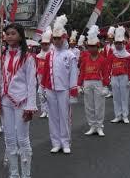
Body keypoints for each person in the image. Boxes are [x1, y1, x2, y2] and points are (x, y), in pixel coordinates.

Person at [0, 23, 37, 178]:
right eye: (7, 34)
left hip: (22, 101)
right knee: (9, 139)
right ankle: (14, 175)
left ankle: (26, 177)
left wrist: (30, 106)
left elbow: (32, 83)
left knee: (23, 139)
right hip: (5, 102)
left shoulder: (28, 57)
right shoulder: (1, 56)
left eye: (13, 33)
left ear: (20, 36)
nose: (9, 37)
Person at [41, 15, 78, 154]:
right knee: (53, 117)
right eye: (54, 39)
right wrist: (43, 88)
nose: (56, 41)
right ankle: (56, 142)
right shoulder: (49, 55)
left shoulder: (70, 55)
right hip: (51, 89)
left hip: (64, 90)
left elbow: (73, 74)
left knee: (64, 116)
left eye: (58, 38)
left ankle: (65, 142)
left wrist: (73, 91)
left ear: (64, 38)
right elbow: (45, 73)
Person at [77, 25, 110, 136]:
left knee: (99, 105)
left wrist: (105, 86)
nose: (91, 49)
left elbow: (105, 74)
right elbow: (82, 72)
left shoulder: (103, 60)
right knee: (89, 106)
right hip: (87, 83)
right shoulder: (85, 59)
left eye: (93, 46)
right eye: (89, 46)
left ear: (97, 47)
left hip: (98, 83)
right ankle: (92, 126)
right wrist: (79, 85)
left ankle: (99, 126)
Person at [109, 26, 130, 124]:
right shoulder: (113, 54)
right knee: (116, 97)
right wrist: (109, 77)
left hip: (124, 77)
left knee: (124, 96)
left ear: (123, 44)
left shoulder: (128, 55)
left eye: (120, 43)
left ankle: (125, 115)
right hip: (114, 77)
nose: (118, 45)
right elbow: (109, 66)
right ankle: (117, 115)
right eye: (116, 43)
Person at [36, 27, 52, 119]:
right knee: (41, 94)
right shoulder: (38, 56)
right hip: (40, 76)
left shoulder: (51, 54)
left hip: (48, 77)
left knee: (48, 94)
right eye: (42, 44)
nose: (44, 46)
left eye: (46, 44)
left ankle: (49, 111)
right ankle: (44, 111)